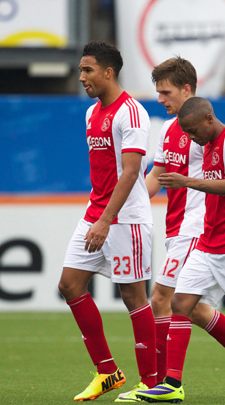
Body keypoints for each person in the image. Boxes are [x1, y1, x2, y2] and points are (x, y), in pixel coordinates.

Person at [116, 57, 225, 402]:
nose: (160, 98)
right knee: (187, 305)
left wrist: (188, 181)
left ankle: (164, 382)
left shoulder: (220, 138)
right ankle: (179, 382)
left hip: (212, 230)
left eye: (166, 91)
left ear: (187, 91)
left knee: (165, 298)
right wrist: (126, 206)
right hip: (194, 233)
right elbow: (158, 174)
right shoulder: (175, 129)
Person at [57, 41, 157, 401]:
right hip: (96, 214)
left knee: (133, 297)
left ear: (108, 72)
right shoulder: (91, 113)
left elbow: (131, 173)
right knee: (69, 285)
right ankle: (107, 371)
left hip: (125, 220)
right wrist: (97, 218)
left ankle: (151, 382)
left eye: (87, 70)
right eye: (81, 70)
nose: (81, 77)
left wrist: (106, 220)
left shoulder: (132, 113)